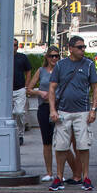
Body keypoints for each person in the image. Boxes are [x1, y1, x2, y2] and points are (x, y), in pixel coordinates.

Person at [47, 35, 97, 191]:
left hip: (83, 111)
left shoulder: (89, 64)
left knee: (83, 145)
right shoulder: (60, 65)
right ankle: (58, 177)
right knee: (61, 146)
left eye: (84, 47)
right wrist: (52, 109)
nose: (83, 50)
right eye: (80, 47)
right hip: (63, 111)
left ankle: (85, 177)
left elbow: (95, 87)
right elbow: (52, 88)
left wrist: (93, 109)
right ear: (70, 48)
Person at [26, 47, 61, 183]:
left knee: (60, 142)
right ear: (46, 57)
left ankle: (60, 172)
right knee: (47, 141)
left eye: (56, 56)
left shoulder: (61, 70)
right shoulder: (41, 71)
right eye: (51, 56)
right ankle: (49, 172)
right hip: (44, 107)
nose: (54, 59)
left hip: (58, 108)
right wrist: (40, 93)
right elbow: (28, 89)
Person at [0, 40, 32, 142]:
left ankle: (20, 134)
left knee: (19, 112)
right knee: (8, 114)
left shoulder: (22, 57)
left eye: (15, 45)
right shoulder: (2, 56)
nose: (13, 47)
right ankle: (10, 133)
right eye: (11, 45)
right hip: (5, 90)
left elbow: (28, 71)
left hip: (20, 89)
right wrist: (1, 49)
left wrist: (27, 86)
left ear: (17, 47)